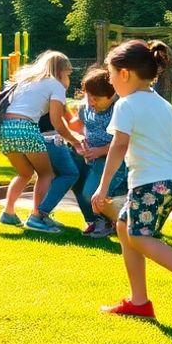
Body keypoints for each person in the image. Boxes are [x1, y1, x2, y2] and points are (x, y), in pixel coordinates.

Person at [91, 39, 172, 326]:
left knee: (138, 236)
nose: (110, 82)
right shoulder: (162, 105)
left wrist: (102, 186)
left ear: (125, 74)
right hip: (169, 181)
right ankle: (140, 303)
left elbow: (119, 145)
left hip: (148, 183)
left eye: (111, 75)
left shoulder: (126, 104)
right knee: (125, 228)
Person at [0, 50, 81, 233]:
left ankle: (8, 212)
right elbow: (57, 122)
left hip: (5, 130)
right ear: (61, 70)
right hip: (26, 128)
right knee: (46, 174)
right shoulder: (55, 85)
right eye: (68, 72)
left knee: (25, 173)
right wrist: (75, 141)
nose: (68, 76)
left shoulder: (25, 82)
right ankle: (37, 217)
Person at [73, 67, 128, 237]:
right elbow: (76, 125)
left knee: (91, 192)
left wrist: (100, 151)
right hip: (91, 157)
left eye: (96, 98)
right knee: (76, 184)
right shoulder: (85, 107)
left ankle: (107, 222)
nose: (90, 101)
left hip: (112, 159)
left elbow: (125, 142)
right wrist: (80, 138)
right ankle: (94, 220)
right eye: (88, 95)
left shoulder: (120, 108)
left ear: (111, 95)